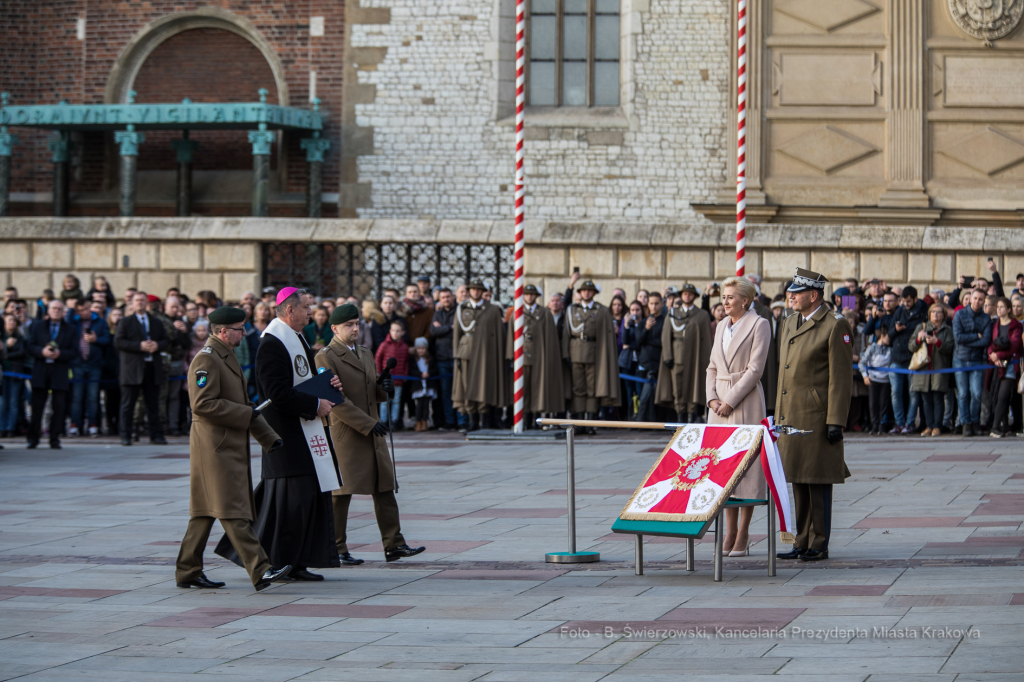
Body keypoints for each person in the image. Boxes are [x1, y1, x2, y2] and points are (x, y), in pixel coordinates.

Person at [216, 287, 341, 580]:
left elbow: (303, 381)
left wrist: (327, 384)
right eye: (307, 308)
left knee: (304, 498)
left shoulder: (298, 337)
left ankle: (296, 562)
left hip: (305, 432)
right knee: (290, 501)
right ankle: (276, 561)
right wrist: (314, 404)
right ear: (290, 310)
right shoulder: (272, 343)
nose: (311, 313)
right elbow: (274, 392)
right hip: (285, 433)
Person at [175, 306, 292, 592]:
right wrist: (246, 416)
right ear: (223, 331)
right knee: (232, 510)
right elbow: (202, 405)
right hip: (215, 449)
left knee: (204, 513)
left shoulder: (225, 355)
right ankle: (261, 569)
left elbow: (242, 407)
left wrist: (267, 436)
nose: (244, 333)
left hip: (224, 446)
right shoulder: (206, 360)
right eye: (239, 329)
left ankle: (188, 570)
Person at [315, 304, 425, 565]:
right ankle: (337, 547)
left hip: (372, 429)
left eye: (357, 324)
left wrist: (385, 387)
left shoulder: (364, 352)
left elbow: (372, 389)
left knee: (385, 486)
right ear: (334, 329)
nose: (355, 329)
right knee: (342, 493)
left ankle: (394, 544)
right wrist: (367, 423)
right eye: (349, 325)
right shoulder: (325, 357)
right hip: (347, 433)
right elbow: (334, 400)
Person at [775, 268, 853, 563]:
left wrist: (836, 420)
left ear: (813, 295)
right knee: (798, 479)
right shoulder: (789, 322)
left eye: (796, 293)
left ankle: (819, 542)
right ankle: (802, 540)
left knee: (817, 480)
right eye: (790, 292)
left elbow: (841, 378)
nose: (790, 296)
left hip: (817, 415)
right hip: (792, 415)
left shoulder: (835, 325)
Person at [705, 277, 770, 557]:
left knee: (746, 468)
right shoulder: (720, 325)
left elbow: (755, 369)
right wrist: (711, 398)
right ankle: (728, 531)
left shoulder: (759, 325)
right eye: (723, 296)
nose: (725, 301)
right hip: (717, 406)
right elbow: (711, 366)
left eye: (731, 297)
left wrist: (730, 401)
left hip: (744, 402)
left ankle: (743, 532)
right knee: (723, 468)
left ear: (745, 300)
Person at [561, 279, 619, 432]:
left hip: (594, 354)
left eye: (589, 290)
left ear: (594, 293)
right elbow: (567, 333)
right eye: (583, 291)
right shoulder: (572, 309)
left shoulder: (601, 310)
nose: (586, 293)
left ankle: (591, 422)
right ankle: (579, 422)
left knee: (592, 388)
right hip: (575, 352)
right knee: (578, 388)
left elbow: (606, 335)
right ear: (579, 293)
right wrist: (566, 353)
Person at [504, 284, 565, 427]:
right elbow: (510, 337)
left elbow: (550, 338)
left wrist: (549, 358)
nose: (529, 297)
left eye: (532, 294)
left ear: (536, 296)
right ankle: (524, 419)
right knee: (522, 387)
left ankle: (535, 419)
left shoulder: (544, 313)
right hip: (522, 357)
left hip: (539, 357)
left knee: (537, 387)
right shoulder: (516, 313)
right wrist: (510, 356)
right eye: (526, 294)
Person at [453, 279, 508, 432]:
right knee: (467, 385)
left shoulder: (492, 309)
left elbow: (498, 334)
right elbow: (457, 334)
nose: (475, 292)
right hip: (466, 351)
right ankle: (472, 420)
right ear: (469, 291)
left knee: (483, 385)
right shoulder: (462, 308)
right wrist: (456, 355)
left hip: (485, 352)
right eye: (473, 289)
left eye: (478, 289)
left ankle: (484, 419)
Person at [115, 291, 169, 446]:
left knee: (153, 405)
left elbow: (166, 340)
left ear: (147, 303)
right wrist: (139, 346)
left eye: (142, 300)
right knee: (128, 406)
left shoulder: (156, 322)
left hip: (152, 367)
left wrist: (157, 345)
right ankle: (126, 435)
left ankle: (156, 435)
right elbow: (118, 342)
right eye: (136, 300)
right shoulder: (125, 322)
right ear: (132, 303)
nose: (139, 303)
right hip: (132, 369)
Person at [657, 283, 713, 423]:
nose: (687, 296)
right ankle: (680, 421)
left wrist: (707, 361)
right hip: (677, 357)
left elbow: (706, 339)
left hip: (695, 358)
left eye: (690, 293)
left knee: (694, 389)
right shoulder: (673, 313)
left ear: (694, 296)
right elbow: (665, 336)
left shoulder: (702, 315)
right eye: (684, 293)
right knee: (678, 390)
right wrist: (668, 356)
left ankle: (691, 419)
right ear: (681, 296)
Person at [26, 300, 78, 449]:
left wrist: (60, 353)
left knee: (59, 406)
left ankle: (54, 438)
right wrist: (41, 352)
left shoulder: (70, 329)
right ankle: (33, 438)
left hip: (59, 371)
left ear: (63, 312)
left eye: (59, 309)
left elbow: (75, 352)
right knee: (37, 407)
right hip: (41, 370)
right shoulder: (37, 326)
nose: (56, 311)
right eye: (53, 308)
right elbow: (30, 346)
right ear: (48, 311)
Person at [907, 305, 954, 437]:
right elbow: (911, 347)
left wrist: (937, 342)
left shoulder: (947, 330)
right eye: (933, 312)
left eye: (939, 312)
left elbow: (950, 348)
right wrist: (918, 339)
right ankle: (928, 426)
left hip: (938, 369)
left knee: (938, 398)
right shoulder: (921, 327)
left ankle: (937, 426)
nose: (935, 315)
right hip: (923, 369)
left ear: (944, 315)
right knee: (925, 400)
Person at [887, 286, 927, 434]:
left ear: (915, 299)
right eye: (904, 301)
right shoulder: (899, 310)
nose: (906, 304)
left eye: (909, 301)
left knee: (913, 393)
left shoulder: (923, 312)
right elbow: (890, 334)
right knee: (896, 392)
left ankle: (910, 423)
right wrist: (896, 330)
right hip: (897, 357)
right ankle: (899, 423)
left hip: (913, 359)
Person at [68, 299, 110, 438]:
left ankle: (93, 424)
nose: (83, 312)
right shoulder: (74, 321)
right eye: (80, 310)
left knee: (93, 397)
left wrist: (95, 339)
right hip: (77, 364)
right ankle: (75, 425)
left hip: (94, 365)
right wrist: (71, 309)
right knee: (77, 397)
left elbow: (107, 340)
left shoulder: (100, 321)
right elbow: (67, 324)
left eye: (85, 309)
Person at [953, 290, 991, 436]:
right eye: (975, 298)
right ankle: (965, 423)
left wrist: (970, 341)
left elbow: (985, 341)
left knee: (976, 394)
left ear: (983, 302)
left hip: (976, 360)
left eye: (980, 299)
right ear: (970, 299)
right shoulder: (959, 314)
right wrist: (975, 336)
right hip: (960, 359)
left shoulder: (986, 318)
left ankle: (975, 421)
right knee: (962, 394)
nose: (977, 301)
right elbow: (958, 338)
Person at [986, 297, 1023, 438]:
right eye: (998, 307)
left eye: (1002, 307)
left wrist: (998, 355)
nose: (999, 309)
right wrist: (992, 355)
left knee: (1003, 395)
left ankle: (995, 427)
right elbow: (990, 344)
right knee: (997, 394)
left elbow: (1014, 344)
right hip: (997, 364)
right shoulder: (995, 325)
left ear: (1008, 310)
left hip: (1010, 364)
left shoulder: (1015, 326)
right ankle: (1005, 425)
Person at [431, 288, 459, 430]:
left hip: (456, 356)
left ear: (453, 297)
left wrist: (443, 328)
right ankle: (450, 421)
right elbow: (433, 331)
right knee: (446, 392)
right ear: (440, 299)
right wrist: (450, 327)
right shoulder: (438, 313)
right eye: (443, 297)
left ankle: (462, 421)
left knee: (460, 390)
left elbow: (459, 330)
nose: (446, 299)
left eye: (448, 297)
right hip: (442, 357)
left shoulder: (459, 312)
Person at [635, 292, 665, 422]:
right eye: (651, 303)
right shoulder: (642, 323)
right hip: (644, 364)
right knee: (643, 395)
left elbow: (663, 342)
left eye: (656, 303)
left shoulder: (665, 322)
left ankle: (657, 421)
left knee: (658, 396)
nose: (654, 306)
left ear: (661, 304)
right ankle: (643, 419)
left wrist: (649, 341)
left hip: (660, 363)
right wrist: (646, 329)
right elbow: (638, 342)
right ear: (648, 304)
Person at [375, 321, 409, 429]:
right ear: (390, 331)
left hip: (399, 379)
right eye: (393, 330)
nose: (395, 333)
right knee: (385, 401)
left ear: (402, 332)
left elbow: (406, 362)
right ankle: (383, 421)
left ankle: (394, 421)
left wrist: (405, 375)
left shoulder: (404, 347)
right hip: (386, 379)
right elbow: (378, 359)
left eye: (398, 331)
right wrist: (379, 374)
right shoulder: (384, 345)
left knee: (396, 401)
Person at [859, 325, 892, 435]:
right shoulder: (872, 348)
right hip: (873, 380)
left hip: (886, 381)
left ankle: (882, 425)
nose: (889, 338)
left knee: (884, 404)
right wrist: (865, 376)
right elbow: (862, 362)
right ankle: (875, 425)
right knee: (873, 404)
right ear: (882, 336)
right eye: (888, 336)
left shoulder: (889, 349)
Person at [1, 313, 27, 437]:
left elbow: (21, 352)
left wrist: (6, 354)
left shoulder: (19, 337)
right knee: (2, 403)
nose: (11, 323)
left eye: (13, 321)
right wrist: (7, 346)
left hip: (15, 374)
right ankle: (2, 428)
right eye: (9, 320)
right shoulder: (2, 337)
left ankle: (10, 428)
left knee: (13, 402)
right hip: (2, 374)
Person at [409, 338, 438, 431]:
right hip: (418, 386)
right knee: (419, 405)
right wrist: (420, 374)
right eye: (419, 348)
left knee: (426, 405)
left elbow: (435, 370)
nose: (421, 350)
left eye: (423, 348)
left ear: (426, 349)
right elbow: (411, 371)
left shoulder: (431, 359)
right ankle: (418, 422)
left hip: (428, 385)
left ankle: (425, 422)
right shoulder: (413, 360)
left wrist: (428, 373)